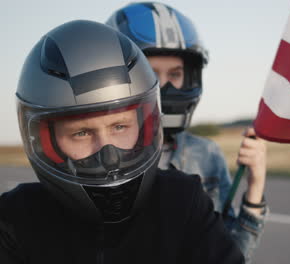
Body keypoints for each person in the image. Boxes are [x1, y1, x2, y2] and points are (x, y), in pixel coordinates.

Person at [0, 20, 244, 264]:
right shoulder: (15, 217)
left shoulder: (182, 201)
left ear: (145, 127)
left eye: (119, 126)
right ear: (47, 143)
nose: (109, 156)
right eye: (81, 133)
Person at [107, 3, 268, 263]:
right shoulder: (105, 158)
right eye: (152, 73)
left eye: (175, 74)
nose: (167, 86)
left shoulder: (206, 154)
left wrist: (255, 188)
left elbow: (231, 253)